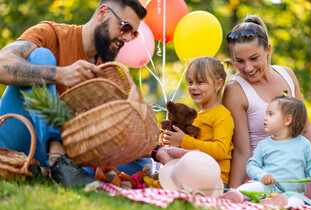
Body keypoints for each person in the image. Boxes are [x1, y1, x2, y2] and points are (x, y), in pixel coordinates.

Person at [0, 0, 181, 187]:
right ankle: (57, 162)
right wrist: (61, 74)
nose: (127, 39)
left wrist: (157, 151)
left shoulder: (106, 70)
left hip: (50, 152)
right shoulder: (52, 33)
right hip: (14, 132)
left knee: (139, 163)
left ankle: (50, 169)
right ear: (102, 13)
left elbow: (116, 129)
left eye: (133, 33)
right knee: (42, 57)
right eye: (125, 27)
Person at [222, 14, 311, 200]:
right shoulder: (236, 90)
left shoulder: (287, 74)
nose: (247, 68)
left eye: (254, 58)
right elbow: (241, 151)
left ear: (268, 50)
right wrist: (235, 194)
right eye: (239, 61)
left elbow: (305, 125)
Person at [234, 95, 311, 207]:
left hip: (293, 193)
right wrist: (262, 175)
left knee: (296, 203)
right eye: (266, 114)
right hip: (267, 188)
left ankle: (278, 205)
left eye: (270, 114)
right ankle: (236, 196)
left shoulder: (304, 144)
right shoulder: (264, 145)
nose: (265, 118)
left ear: (287, 120)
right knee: (251, 188)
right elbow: (251, 165)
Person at [162, 56, 234, 187]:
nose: (193, 87)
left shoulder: (222, 115)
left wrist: (184, 140)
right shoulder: (196, 117)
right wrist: (172, 140)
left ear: (218, 84)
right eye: (190, 82)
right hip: (195, 175)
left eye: (200, 82)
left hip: (215, 180)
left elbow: (220, 150)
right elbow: (193, 147)